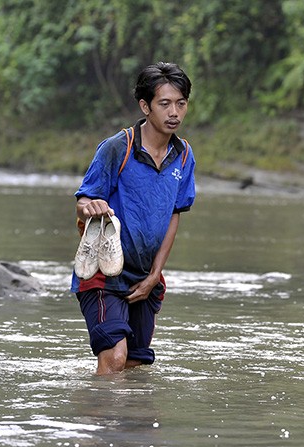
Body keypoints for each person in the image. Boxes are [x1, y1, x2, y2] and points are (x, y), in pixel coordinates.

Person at [71, 62, 196, 375]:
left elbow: (174, 215)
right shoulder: (117, 148)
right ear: (145, 106)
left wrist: (155, 274)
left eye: (181, 104)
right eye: (164, 104)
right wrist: (90, 207)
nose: (174, 113)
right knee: (114, 357)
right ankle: (96, 423)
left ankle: (115, 421)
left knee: (133, 364)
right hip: (104, 273)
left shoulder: (183, 155)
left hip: (145, 277)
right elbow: (84, 200)